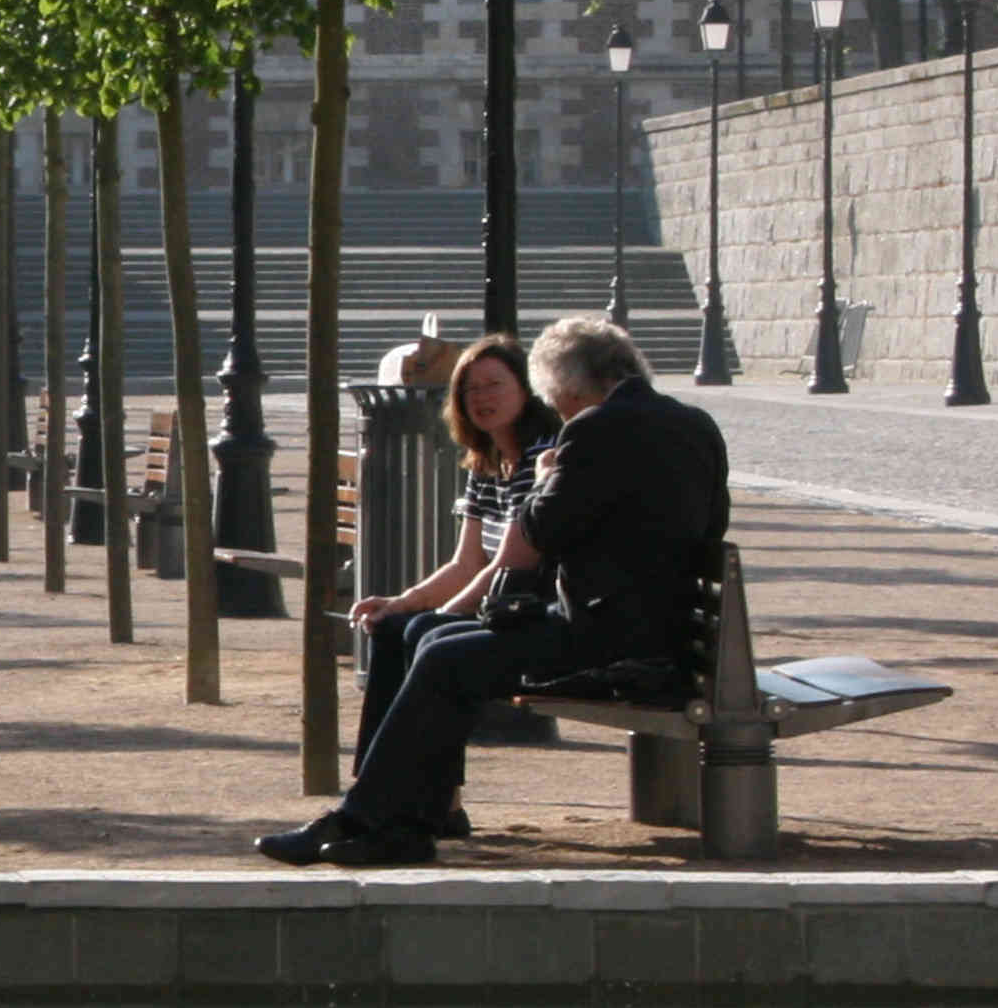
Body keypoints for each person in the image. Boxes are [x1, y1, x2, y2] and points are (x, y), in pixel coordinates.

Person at [259, 316, 726, 867]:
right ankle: (407, 818)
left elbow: (531, 543)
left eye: (558, 398)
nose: (561, 410)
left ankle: (372, 819)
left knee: (446, 655)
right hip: (667, 635)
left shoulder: (593, 431)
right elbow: (711, 524)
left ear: (567, 386)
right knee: (436, 642)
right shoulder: (697, 425)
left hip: (610, 643)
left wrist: (550, 476)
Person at [343, 334, 557, 840]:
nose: (481, 398)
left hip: (534, 611)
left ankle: (404, 798)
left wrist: (443, 616)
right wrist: (401, 602)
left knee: (426, 637)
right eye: (468, 390)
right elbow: (466, 563)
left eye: (494, 386)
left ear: (526, 391)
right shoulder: (486, 462)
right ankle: (432, 798)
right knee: (393, 627)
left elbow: (506, 564)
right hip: (501, 602)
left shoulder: (540, 458)